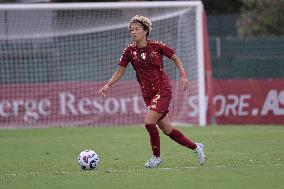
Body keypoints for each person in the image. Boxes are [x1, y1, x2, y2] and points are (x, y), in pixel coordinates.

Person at [98, 15, 206, 168]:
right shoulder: (129, 51)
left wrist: (183, 76)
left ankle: (156, 157)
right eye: (131, 30)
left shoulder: (157, 46)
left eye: (137, 29)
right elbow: (119, 72)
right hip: (147, 94)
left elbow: (176, 58)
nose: (133, 32)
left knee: (149, 122)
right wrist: (108, 85)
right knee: (168, 129)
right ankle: (196, 147)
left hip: (163, 89)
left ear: (145, 30)